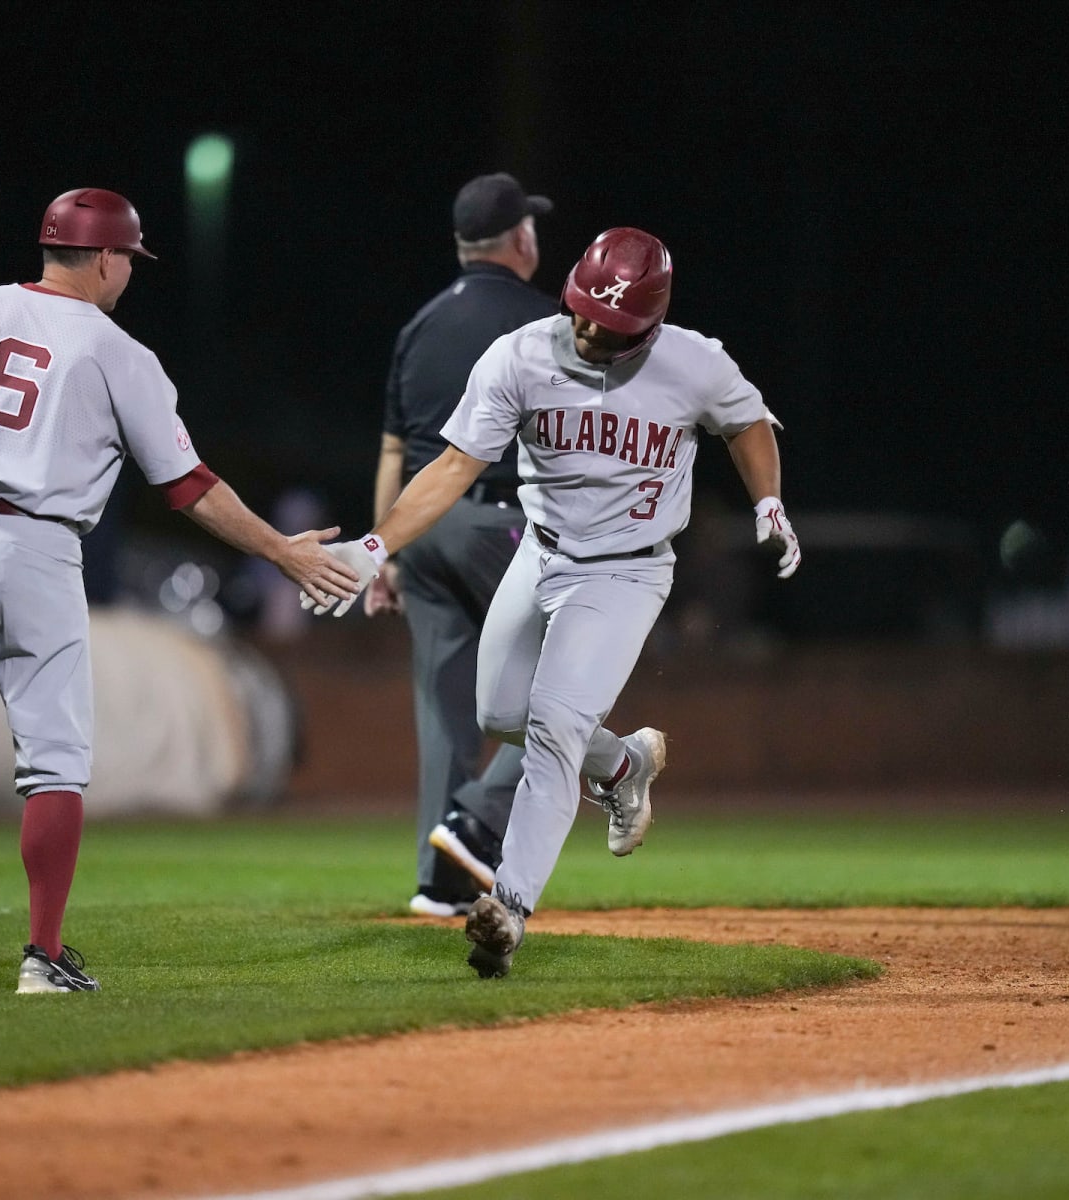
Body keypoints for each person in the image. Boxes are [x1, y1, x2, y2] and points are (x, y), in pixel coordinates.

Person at [0, 187, 358, 995]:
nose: (129, 275)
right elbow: (189, 486)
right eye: (129, 261)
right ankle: (42, 957)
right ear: (106, 258)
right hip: (37, 547)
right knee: (56, 762)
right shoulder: (117, 351)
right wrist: (280, 550)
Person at [305, 226, 801, 977]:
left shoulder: (692, 361)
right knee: (499, 715)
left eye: (612, 325)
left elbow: (748, 422)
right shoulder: (521, 353)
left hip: (626, 572)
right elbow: (451, 467)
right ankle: (623, 764)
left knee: (554, 727)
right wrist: (375, 546)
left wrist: (768, 501)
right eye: (582, 313)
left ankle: (508, 905)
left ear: (653, 324)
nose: (591, 330)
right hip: (539, 554)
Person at [365, 173, 557, 917]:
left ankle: (439, 884)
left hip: (424, 526)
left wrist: (383, 548)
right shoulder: (548, 325)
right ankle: (479, 817)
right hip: (504, 523)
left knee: (444, 709)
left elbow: (392, 451)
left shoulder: (421, 325)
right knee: (569, 686)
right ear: (521, 239)